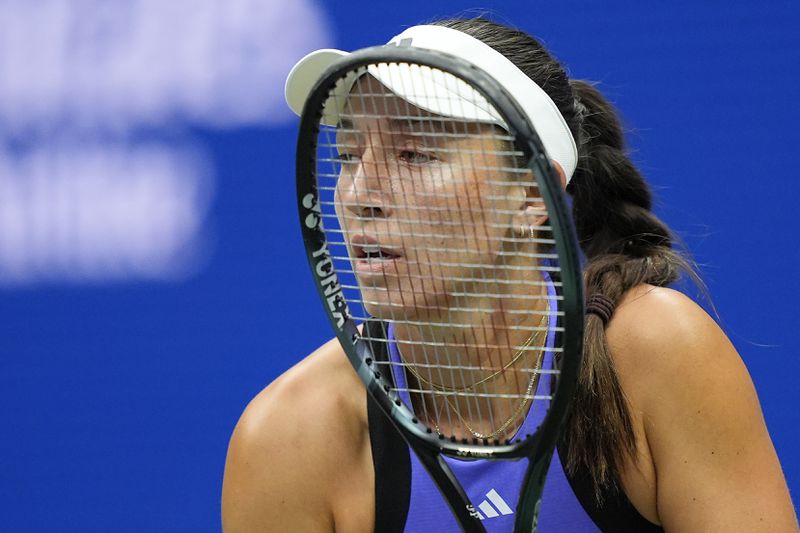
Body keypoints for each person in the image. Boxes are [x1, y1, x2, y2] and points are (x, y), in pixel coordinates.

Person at [221, 18, 798, 532]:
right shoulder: (288, 438)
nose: (360, 195)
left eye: (415, 155)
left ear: (530, 192)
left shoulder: (659, 357)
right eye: (349, 155)